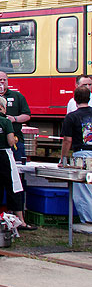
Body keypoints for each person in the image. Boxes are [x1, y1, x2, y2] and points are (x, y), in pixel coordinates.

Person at [0, 96, 35, 230]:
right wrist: (16, 139)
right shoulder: (5, 122)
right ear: (1, 107)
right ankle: (20, 220)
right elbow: (10, 141)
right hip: (4, 155)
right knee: (14, 187)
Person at [60, 85, 92, 223]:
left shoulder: (71, 117)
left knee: (83, 191)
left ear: (75, 99)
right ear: (90, 98)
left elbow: (67, 140)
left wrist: (63, 158)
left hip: (82, 156)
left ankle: (88, 220)